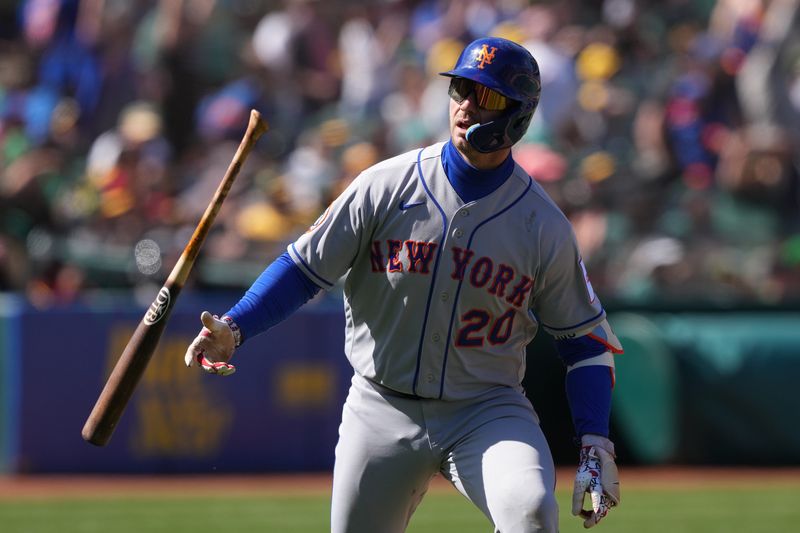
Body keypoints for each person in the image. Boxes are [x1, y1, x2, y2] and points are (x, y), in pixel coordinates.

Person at [184, 36, 622, 533]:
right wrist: (235, 327)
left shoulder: (543, 225)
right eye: (461, 88)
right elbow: (303, 269)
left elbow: (585, 343)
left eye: (489, 97)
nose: (467, 106)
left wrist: (594, 441)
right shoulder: (385, 184)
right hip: (380, 405)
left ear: (519, 115)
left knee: (531, 512)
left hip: (486, 409)